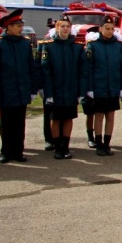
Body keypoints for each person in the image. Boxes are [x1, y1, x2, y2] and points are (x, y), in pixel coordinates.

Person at [0, 9, 40, 164]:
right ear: (8, 27)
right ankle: (6, 152)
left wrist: (32, 89)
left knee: (19, 123)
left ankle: (18, 151)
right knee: (6, 123)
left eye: (21, 25)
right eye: (18, 25)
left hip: (22, 89)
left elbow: (31, 67)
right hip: (6, 90)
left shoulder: (25, 44)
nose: (21, 28)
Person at [39, 17, 87, 159]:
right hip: (55, 89)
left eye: (67, 26)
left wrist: (81, 91)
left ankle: (65, 147)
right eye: (62, 26)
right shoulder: (49, 46)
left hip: (71, 89)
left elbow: (82, 70)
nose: (65, 29)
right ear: (57, 28)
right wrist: (47, 91)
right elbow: (45, 69)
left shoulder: (77, 47)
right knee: (55, 119)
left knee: (67, 118)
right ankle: (57, 147)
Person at [85, 16, 122, 156]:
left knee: (110, 116)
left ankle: (107, 144)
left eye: (112, 29)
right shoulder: (93, 45)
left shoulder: (118, 46)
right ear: (100, 29)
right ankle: (99, 144)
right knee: (99, 116)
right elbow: (88, 68)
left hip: (113, 87)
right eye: (107, 29)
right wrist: (89, 88)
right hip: (99, 87)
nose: (109, 31)